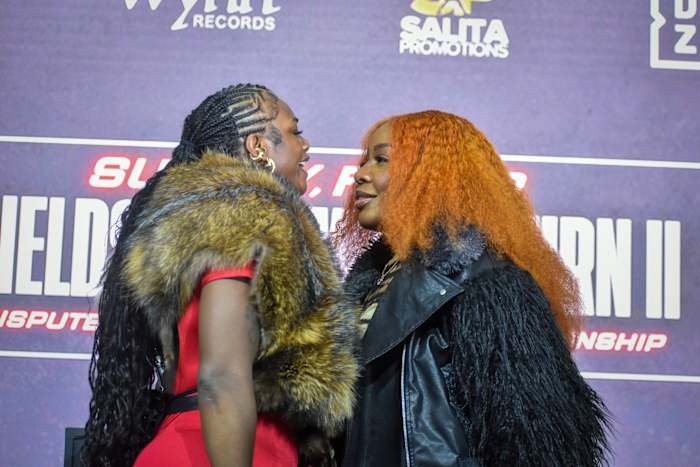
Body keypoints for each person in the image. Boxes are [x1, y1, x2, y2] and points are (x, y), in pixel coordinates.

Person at [82, 84, 358, 467]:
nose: (305, 145)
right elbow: (222, 378)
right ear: (258, 146)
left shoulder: (206, 221)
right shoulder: (242, 217)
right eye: (295, 131)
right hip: (218, 451)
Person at [333, 110, 611, 467]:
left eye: (381, 160)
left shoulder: (490, 287)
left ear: (432, 175)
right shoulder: (373, 283)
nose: (360, 173)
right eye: (364, 160)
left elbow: (536, 443)